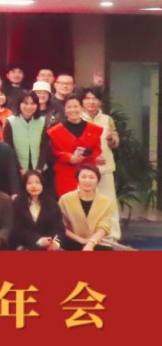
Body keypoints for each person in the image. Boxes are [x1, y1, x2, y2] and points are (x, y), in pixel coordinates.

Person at [81, 87, 122, 240]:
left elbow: (115, 143)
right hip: (84, 169)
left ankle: (111, 235)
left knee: (108, 201)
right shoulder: (77, 117)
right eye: (87, 99)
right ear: (82, 101)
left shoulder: (107, 119)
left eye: (95, 99)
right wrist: (91, 157)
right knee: (85, 202)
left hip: (105, 167)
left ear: (100, 102)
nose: (91, 102)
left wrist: (111, 138)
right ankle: (87, 235)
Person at [48, 95, 103, 197]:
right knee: (67, 202)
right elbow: (54, 152)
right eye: (69, 107)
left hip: (87, 172)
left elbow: (97, 149)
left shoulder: (94, 129)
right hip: (65, 173)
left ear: (82, 107)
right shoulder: (55, 131)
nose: (72, 110)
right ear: (64, 109)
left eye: (75, 106)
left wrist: (87, 154)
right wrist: (69, 157)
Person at [59, 164, 115, 251]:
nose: (87, 181)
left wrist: (91, 243)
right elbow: (60, 225)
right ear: (78, 179)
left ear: (98, 181)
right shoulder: (65, 199)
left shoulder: (106, 202)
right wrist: (81, 240)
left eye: (92, 177)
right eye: (83, 177)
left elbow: (103, 227)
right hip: (71, 242)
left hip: (95, 242)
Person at [11, 170, 62, 251]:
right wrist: (39, 241)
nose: (34, 186)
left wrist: (56, 242)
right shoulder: (17, 203)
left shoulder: (51, 203)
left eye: (37, 182)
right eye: (29, 183)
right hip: (26, 245)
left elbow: (59, 228)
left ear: (42, 184)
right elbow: (17, 229)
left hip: (49, 245)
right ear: (24, 185)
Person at [3, 92, 51, 177]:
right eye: (25, 103)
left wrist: (39, 169)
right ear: (19, 104)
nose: (29, 107)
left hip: (39, 168)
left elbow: (44, 147)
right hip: (17, 169)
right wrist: (20, 169)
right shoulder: (10, 122)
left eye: (33, 104)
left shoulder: (42, 121)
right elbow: (9, 148)